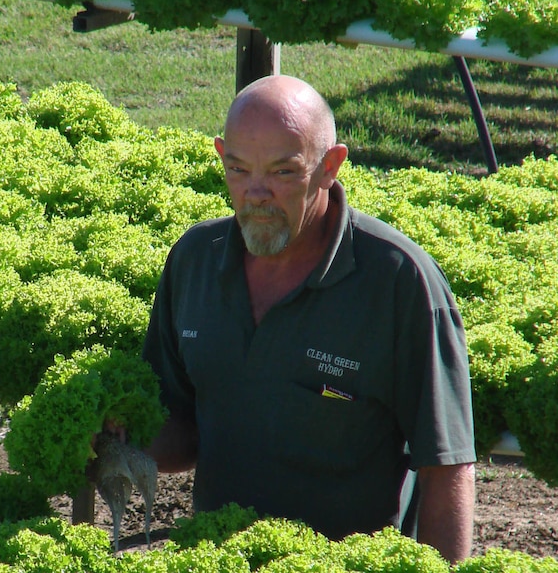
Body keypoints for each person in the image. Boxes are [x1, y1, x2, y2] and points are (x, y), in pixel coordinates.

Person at [141, 75, 476, 563]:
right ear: (220, 157)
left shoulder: (399, 282)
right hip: (218, 559)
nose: (255, 193)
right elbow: (178, 432)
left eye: (282, 172)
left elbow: (446, 466)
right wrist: (108, 438)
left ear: (329, 167)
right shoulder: (194, 260)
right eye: (237, 169)